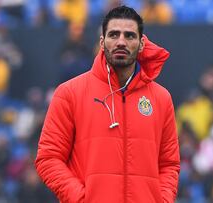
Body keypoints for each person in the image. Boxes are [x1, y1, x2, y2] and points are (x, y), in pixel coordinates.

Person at [35, 5, 180, 203]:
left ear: (141, 44)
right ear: (102, 42)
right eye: (114, 35)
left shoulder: (162, 98)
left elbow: (169, 164)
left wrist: (160, 200)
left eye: (129, 36)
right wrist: (81, 198)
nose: (121, 41)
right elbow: (48, 158)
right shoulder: (69, 93)